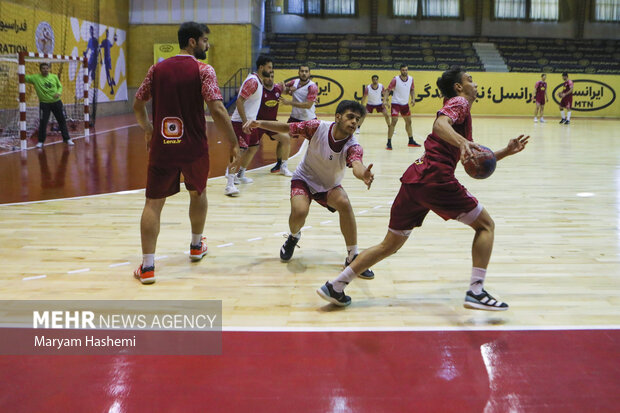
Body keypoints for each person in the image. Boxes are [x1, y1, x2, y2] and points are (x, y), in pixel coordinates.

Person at [317, 66, 530, 309]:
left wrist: (503, 152)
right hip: (435, 179)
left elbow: (471, 159)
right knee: (486, 226)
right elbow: (440, 125)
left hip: (415, 177)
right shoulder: (459, 102)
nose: (476, 83)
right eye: (471, 79)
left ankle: (335, 286)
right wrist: (463, 142)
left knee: (389, 244)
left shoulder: (460, 112)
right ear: (459, 87)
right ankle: (476, 291)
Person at [132, 21, 239, 284]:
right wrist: (234, 143)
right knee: (198, 192)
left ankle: (147, 267)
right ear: (192, 42)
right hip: (193, 147)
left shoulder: (156, 69)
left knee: (153, 204)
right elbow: (217, 109)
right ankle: (195, 246)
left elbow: (138, 103)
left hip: (163, 145)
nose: (207, 45)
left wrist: (148, 129)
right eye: (204, 40)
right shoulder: (204, 70)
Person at [249, 100, 375, 279]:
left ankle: (353, 256)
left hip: (328, 186)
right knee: (300, 212)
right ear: (338, 117)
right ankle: (293, 236)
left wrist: (363, 174)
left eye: (357, 119)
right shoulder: (317, 127)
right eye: (350, 117)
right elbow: (287, 128)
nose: (354, 121)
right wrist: (260, 123)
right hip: (304, 179)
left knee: (344, 203)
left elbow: (357, 164)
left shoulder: (353, 145)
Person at [224, 55, 273, 196]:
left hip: (250, 122)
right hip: (241, 122)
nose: (271, 70)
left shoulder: (259, 81)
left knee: (254, 146)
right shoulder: (253, 82)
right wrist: (245, 121)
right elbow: (239, 101)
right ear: (261, 67)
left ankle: (240, 174)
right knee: (238, 151)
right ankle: (229, 185)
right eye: (269, 67)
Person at [25, 63, 74, 148]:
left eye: (47, 68)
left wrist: (58, 93)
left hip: (56, 102)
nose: (45, 70)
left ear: (49, 69)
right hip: (44, 104)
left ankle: (67, 139)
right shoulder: (35, 78)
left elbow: (60, 86)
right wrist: (19, 70)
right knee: (43, 123)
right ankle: (40, 141)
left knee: (61, 120)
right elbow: (24, 77)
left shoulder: (54, 77)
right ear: (40, 69)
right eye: (43, 68)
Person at [254, 71, 293, 177]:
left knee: (285, 138)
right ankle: (238, 171)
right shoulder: (259, 89)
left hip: (271, 124)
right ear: (262, 78)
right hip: (258, 123)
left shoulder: (278, 89)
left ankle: (283, 167)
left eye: (272, 77)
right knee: (249, 148)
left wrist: (289, 88)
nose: (270, 79)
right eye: (267, 77)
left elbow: (289, 91)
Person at [384, 64, 421, 150]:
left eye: (406, 70)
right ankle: (389, 142)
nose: (405, 71)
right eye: (403, 70)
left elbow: (412, 90)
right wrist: (385, 100)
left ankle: (411, 141)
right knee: (394, 121)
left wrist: (413, 99)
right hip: (396, 104)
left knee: (409, 122)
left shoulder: (411, 79)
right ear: (400, 71)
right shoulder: (395, 79)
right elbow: (388, 90)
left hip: (405, 104)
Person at [99, 28, 117, 94]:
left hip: (108, 59)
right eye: (106, 33)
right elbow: (99, 48)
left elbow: (111, 45)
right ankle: (111, 87)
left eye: (108, 33)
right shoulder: (104, 41)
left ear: (108, 34)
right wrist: (101, 58)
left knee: (110, 72)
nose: (107, 34)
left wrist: (114, 40)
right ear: (105, 34)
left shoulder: (109, 42)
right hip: (106, 60)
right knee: (107, 74)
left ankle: (112, 83)